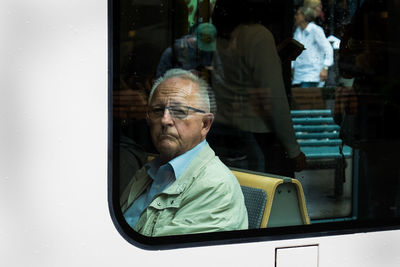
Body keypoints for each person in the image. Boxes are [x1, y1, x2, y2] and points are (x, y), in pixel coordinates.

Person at [120, 68, 248, 236]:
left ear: (205, 125)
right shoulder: (148, 172)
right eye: (158, 111)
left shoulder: (215, 187)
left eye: (179, 111)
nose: (165, 120)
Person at [208, 0, 306, 176]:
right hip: (254, 135)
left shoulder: (224, 34)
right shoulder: (258, 36)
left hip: (223, 128)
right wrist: (293, 149)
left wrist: (274, 55)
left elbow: (238, 74)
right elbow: (274, 99)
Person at [292, 6, 334, 88]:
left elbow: (328, 49)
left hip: (311, 75)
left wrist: (325, 67)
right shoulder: (297, 31)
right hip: (298, 76)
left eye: (297, 14)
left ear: (304, 16)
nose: (295, 16)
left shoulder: (316, 30)